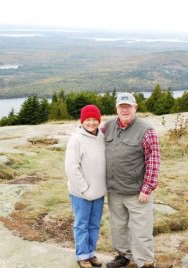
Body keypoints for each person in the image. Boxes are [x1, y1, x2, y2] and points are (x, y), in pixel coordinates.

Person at [101, 92, 161, 268]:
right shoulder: (108, 126)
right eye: (122, 106)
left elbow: (154, 160)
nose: (125, 110)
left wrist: (147, 188)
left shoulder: (146, 130)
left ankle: (145, 262)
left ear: (135, 107)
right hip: (114, 190)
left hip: (137, 192)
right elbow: (91, 138)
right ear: (117, 108)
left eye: (128, 107)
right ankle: (123, 256)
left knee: (141, 230)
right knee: (118, 227)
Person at [65, 104, 107, 268]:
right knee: (82, 224)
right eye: (87, 119)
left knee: (94, 224)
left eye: (94, 119)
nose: (91, 123)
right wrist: (84, 189)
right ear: (82, 121)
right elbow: (71, 168)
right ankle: (82, 255)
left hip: (99, 191)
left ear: (99, 120)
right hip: (81, 193)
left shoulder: (101, 137)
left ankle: (91, 253)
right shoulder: (76, 139)